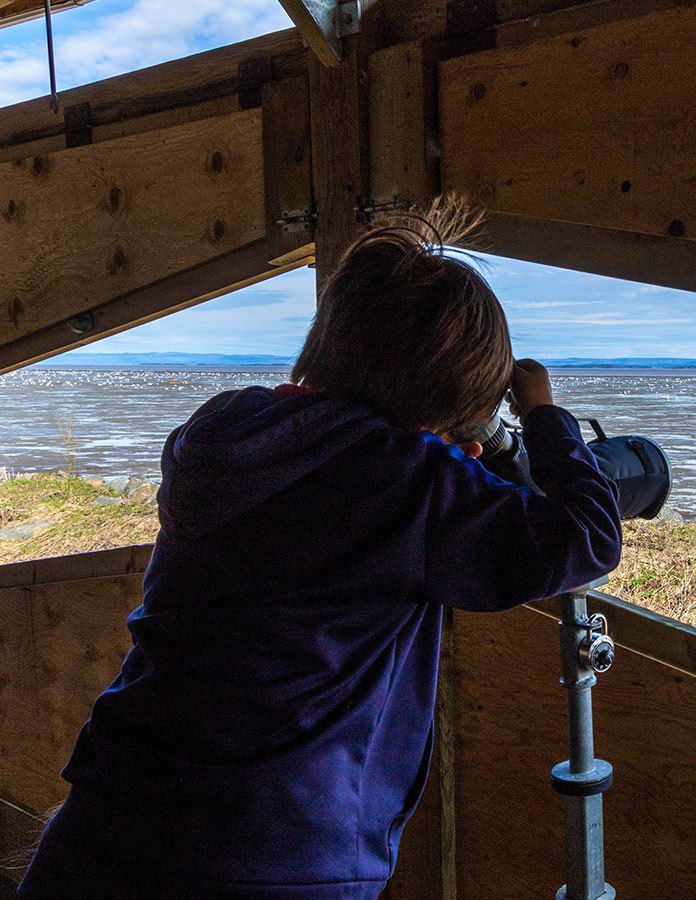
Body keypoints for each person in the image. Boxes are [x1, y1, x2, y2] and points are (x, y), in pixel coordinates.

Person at [18, 202, 622, 898]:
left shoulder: (218, 431)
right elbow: (586, 539)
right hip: (281, 853)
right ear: (445, 392)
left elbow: (331, 483)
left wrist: (431, 452)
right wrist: (544, 416)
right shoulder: (412, 484)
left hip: (110, 815)